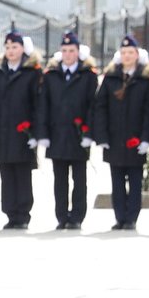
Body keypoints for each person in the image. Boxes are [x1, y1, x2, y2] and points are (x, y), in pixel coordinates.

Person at [93, 34, 149, 231]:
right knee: (117, 181)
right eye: (124, 52)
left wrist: (147, 138)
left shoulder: (145, 80)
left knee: (135, 181)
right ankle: (120, 217)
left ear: (137, 55)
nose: (127, 56)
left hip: (135, 139)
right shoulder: (111, 78)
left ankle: (131, 218)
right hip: (114, 138)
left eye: (131, 52)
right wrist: (102, 136)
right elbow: (100, 107)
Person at [37, 31, 98, 231]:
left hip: (78, 135)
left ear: (78, 52)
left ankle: (77, 217)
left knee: (79, 179)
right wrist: (43, 134)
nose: (68, 54)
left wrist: (89, 133)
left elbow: (92, 106)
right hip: (57, 135)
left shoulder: (88, 76)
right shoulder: (52, 76)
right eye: (64, 50)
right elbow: (43, 106)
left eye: (71, 50)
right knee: (59, 180)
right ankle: (62, 216)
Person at [0, 32, 43, 230]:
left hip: (23, 132)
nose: (11, 51)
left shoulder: (32, 72)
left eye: (15, 47)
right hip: (3, 131)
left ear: (23, 49)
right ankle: (10, 214)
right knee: (7, 175)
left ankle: (23, 214)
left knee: (22, 173)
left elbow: (38, 104)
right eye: (8, 47)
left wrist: (35, 133)